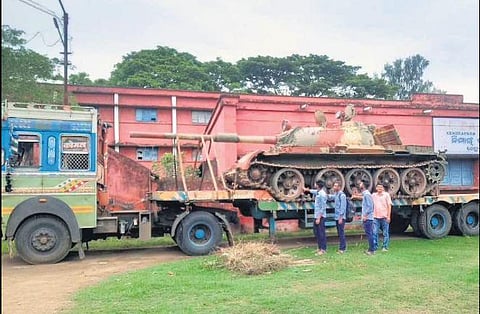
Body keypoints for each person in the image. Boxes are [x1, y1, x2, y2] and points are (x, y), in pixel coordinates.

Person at [304, 180, 328, 255]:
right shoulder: (318, 192)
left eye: (315, 184)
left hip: (320, 217)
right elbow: (314, 191)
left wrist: (318, 218)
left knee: (321, 233)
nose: (314, 184)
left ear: (317, 185)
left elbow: (323, 207)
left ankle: (323, 249)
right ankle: (319, 248)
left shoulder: (322, 194)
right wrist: (307, 190)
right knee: (316, 232)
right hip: (316, 215)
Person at [354, 180, 375, 255]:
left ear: (364, 185)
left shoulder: (367, 194)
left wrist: (365, 215)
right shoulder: (365, 194)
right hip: (367, 217)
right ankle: (371, 249)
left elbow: (370, 206)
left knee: (369, 234)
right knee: (369, 233)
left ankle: (372, 250)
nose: (359, 184)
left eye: (361, 184)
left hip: (368, 218)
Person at [372, 183, 392, 252]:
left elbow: (389, 206)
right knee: (374, 232)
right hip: (375, 217)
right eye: (378, 187)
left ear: (383, 188)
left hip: (384, 217)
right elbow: (365, 196)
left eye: (381, 187)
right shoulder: (374, 195)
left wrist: (388, 216)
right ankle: (375, 246)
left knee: (385, 233)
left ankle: (385, 246)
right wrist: (355, 195)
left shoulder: (386, 195)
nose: (379, 188)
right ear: (376, 188)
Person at [329, 181, 347, 254]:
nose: (334, 187)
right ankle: (341, 247)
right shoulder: (336, 194)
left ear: (339, 187)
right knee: (339, 233)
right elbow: (331, 197)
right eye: (334, 186)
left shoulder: (342, 195)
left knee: (341, 233)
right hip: (337, 217)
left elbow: (343, 207)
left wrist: (340, 217)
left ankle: (343, 248)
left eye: (336, 186)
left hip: (340, 217)